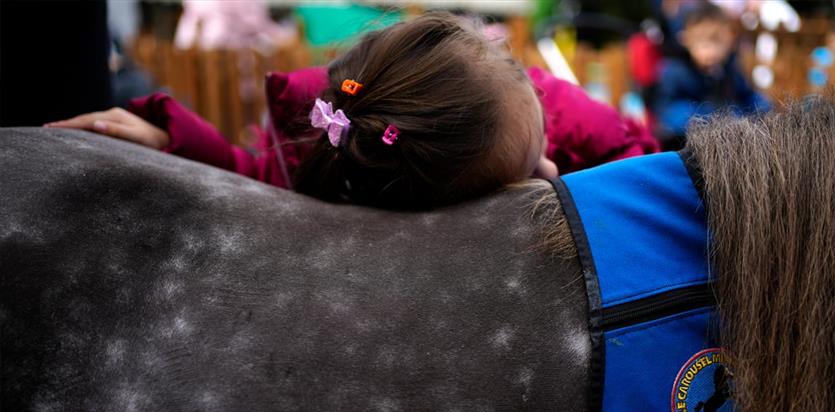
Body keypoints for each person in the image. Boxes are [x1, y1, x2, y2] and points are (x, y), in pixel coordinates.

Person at [46, 12, 658, 208]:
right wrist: (184, 150)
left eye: (541, 150)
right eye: (531, 168)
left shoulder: (552, 105)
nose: (548, 164)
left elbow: (640, 163)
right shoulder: (349, 146)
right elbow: (268, 181)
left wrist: (578, 192)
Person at [651, 2, 768, 148]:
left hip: (729, 138)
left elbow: (748, 96)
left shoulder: (730, 69)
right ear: (685, 40)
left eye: (716, 41)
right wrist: (708, 118)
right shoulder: (675, 71)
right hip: (688, 144)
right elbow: (666, 110)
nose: (709, 50)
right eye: (700, 41)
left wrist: (763, 108)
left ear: (730, 40)